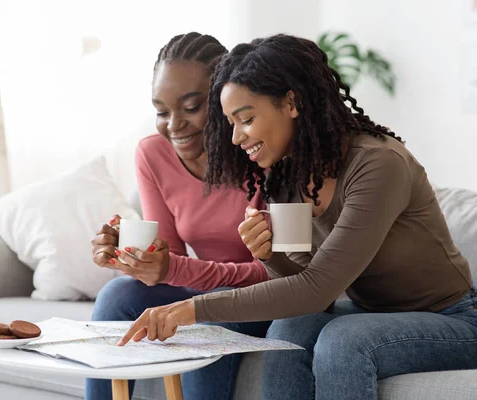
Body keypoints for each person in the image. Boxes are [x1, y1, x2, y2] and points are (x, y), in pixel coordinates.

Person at [117, 34, 477, 400]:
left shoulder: (378, 165)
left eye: (246, 119)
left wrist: (192, 309)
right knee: (292, 327)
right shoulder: (287, 173)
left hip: (454, 319)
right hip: (374, 313)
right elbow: (310, 296)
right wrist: (270, 255)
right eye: (230, 124)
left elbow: (318, 288)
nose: (236, 138)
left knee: (343, 341)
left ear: (291, 102)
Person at [86, 32, 272, 400]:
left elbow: (274, 272)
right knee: (117, 295)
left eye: (190, 107)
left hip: (259, 297)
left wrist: (172, 271)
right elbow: (169, 259)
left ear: (225, 98)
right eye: (161, 111)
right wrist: (131, 256)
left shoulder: (261, 150)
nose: (173, 125)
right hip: (204, 289)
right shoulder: (153, 154)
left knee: (210, 311)